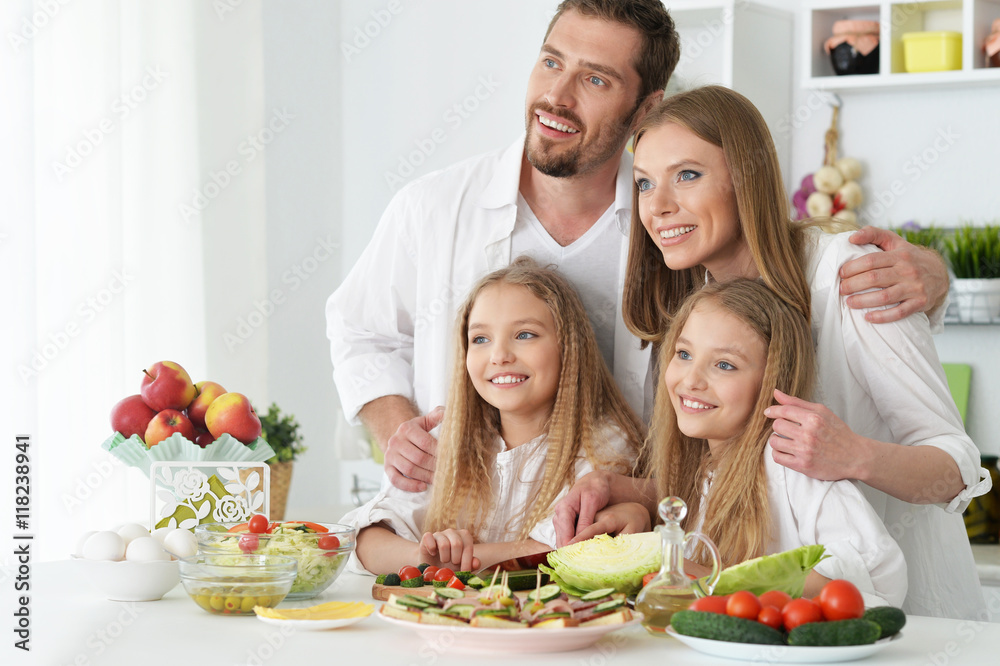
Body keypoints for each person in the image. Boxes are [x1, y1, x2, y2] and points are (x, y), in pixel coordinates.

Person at [326, 0, 948, 494]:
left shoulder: (674, 233)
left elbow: (779, 270)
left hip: (625, 539)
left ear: (647, 105)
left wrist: (932, 276)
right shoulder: (432, 207)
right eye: (550, 62)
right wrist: (396, 429)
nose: (557, 97)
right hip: (466, 524)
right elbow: (360, 330)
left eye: (594, 78)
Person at [553, 85, 989, 619]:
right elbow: (744, 475)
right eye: (644, 183)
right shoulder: (699, 309)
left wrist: (855, 455)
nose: (659, 206)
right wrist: (638, 493)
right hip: (779, 627)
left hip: (911, 621)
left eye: (687, 175)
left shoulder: (848, 276)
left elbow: (958, 468)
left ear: (745, 176)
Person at [341, 258, 646, 574]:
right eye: (481, 339)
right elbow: (362, 539)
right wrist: (425, 558)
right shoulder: (447, 439)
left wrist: (456, 563)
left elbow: (559, 554)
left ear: (569, 347)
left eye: (525, 334)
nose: (500, 356)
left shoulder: (604, 445)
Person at [646, 278, 906, 606]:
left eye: (724, 365)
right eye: (684, 353)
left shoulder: (789, 462)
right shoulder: (703, 471)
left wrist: (717, 582)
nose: (691, 380)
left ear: (773, 380)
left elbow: (876, 569)